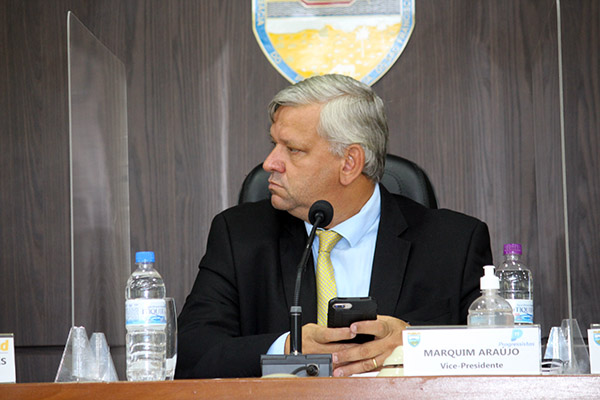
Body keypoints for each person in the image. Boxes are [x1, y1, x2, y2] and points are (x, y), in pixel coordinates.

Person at [176, 74, 492, 379]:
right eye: (274, 144)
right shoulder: (239, 236)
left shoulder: (454, 244)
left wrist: (415, 344)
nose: (270, 163)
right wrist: (287, 348)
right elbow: (190, 353)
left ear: (349, 163)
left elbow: (498, 352)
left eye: (293, 149)